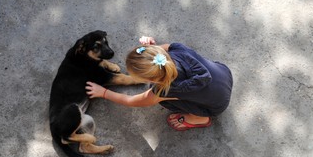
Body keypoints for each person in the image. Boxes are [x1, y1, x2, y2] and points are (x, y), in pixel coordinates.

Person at [85, 36, 233, 131]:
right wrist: (151, 49)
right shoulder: (177, 48)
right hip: (225, 74)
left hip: (217, 106)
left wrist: (103, 92)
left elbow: (133, 101)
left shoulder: (166, 90)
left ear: (150, 79)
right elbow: (165, 48)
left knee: (165, 103)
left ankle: (200, 119)